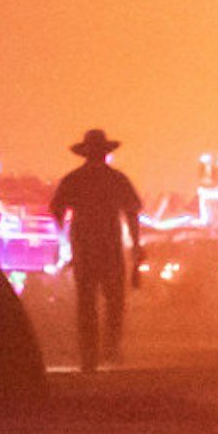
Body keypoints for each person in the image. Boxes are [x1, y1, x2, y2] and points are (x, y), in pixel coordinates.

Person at [45, 129, 144, 372]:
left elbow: (57, 210)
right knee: (114, 302)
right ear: (105, 153)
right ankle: (110, 349)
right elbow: (132, 213)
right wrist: (136, 247)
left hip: (84, 248)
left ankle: (89, 355)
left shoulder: (73, 179)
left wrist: (65, 240)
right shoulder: (117, 179)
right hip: (109, 247)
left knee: (86, 303)